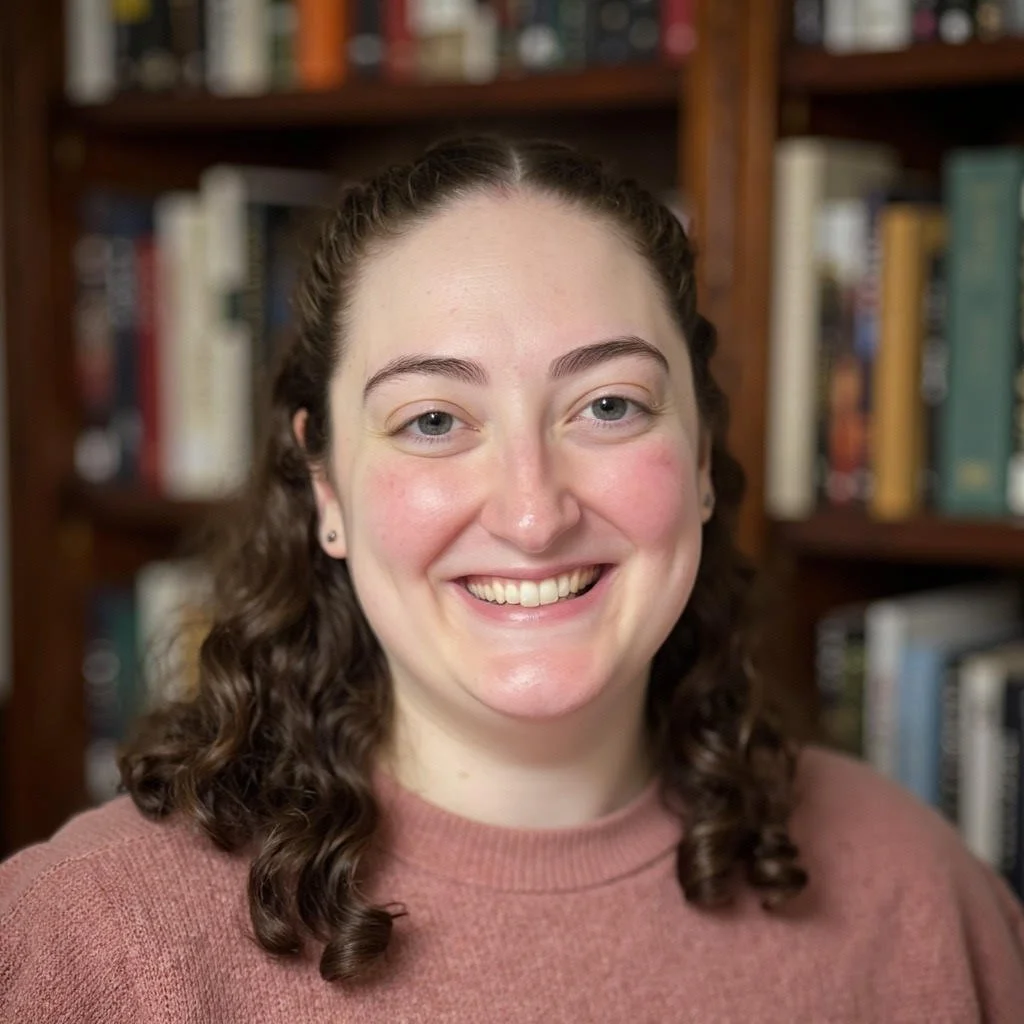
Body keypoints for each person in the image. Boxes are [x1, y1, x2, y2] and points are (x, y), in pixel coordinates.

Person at [2, 134, 1023, 1023]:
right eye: (434, 421)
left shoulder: (916, 896)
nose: (533, 513)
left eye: (609, 406)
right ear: (326, 490)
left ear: (702, 458)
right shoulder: (86, 943)